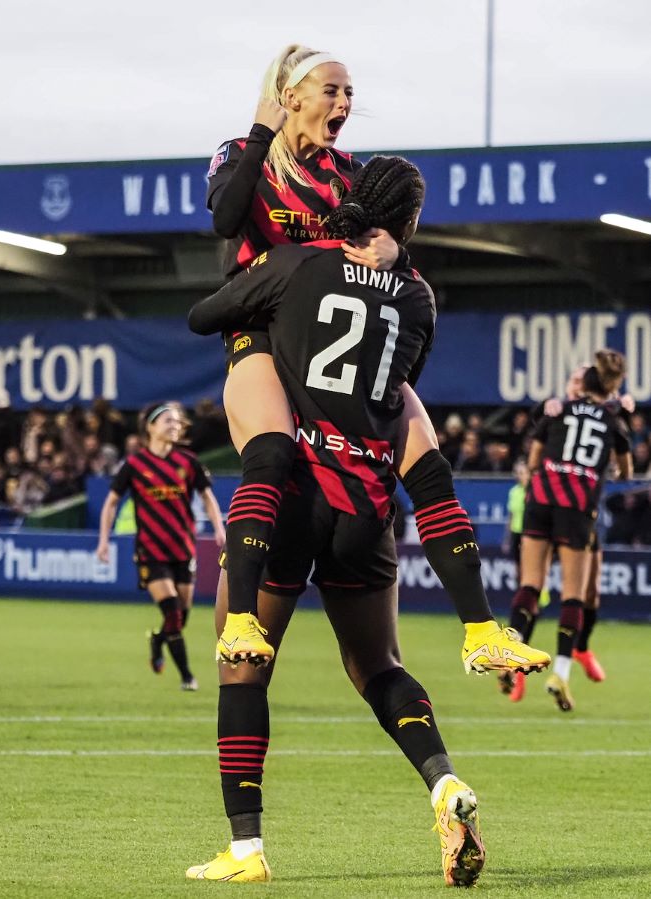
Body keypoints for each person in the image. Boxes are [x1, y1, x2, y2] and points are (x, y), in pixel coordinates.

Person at [186, 155, 487, 886]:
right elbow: (400, 378)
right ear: (409, 224)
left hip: (287, 494)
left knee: (242, 664)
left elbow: (205, 317)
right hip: (364, 508)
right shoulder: (417, 296)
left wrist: (264, 308)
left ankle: (247, 850)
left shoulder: (297, 262)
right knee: (380, 666)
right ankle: (445, 783)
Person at [205, 44, 547, 672]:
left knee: (425, 453)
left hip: (333, 337)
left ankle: (481, 630)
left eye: (350, 93)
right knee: (273, 453)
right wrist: (260, 131)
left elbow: (382, 249)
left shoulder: (351, 174)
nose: (344, 103)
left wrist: (398, 255)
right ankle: (244, 615)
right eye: (332, 90)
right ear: (292, 97)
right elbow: (227, 218)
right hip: (259, 332)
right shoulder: (241, 154)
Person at [506, 351, 632, 711]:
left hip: (542, 497)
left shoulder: (557, 411)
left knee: (531, 584)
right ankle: (561, 670)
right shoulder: (614, 421)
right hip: (577, 505)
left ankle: (511, 654)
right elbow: (626, 474)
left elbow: (533, 461)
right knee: (575, 595)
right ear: (610, 387)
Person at [96, 402, 226, 690]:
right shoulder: (134, 465)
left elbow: (207, 497)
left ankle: (157, 640)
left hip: (183, 548)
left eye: (178, 421)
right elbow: (111, 503)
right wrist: (103, 541)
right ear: (150, 427)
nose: (175, 425)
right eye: (168, 420)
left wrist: (219, 528)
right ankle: (187, 677)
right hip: (150, 550)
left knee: (181, 616)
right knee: (172, 612)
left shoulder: (189, 462)